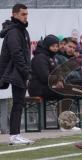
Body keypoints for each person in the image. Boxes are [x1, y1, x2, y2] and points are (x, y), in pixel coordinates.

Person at [0, 3, 34, 145]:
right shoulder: (14, 32)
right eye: (22, 14)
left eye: (26, 14)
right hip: (15, 71)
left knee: (18, 103)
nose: (25, 17)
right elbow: (17, 55)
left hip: (18, 71)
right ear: (14, 15)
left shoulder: (22, 30)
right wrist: (26, 73)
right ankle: (14, 135)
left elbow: (25, 54)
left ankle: (15, 134)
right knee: (18, 103)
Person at [28, 35, 64, 99]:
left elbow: (58, 72)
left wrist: (60, 80)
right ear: (47, 46)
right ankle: (63, 109)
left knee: (70, 91)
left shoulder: (51, 56)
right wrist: (57, 81)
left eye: (57, 46)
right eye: (53, 46)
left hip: (48, 86)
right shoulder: (40, 57)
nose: (55, 48)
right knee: (65, 93)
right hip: (38, 88)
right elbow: (44, 77)